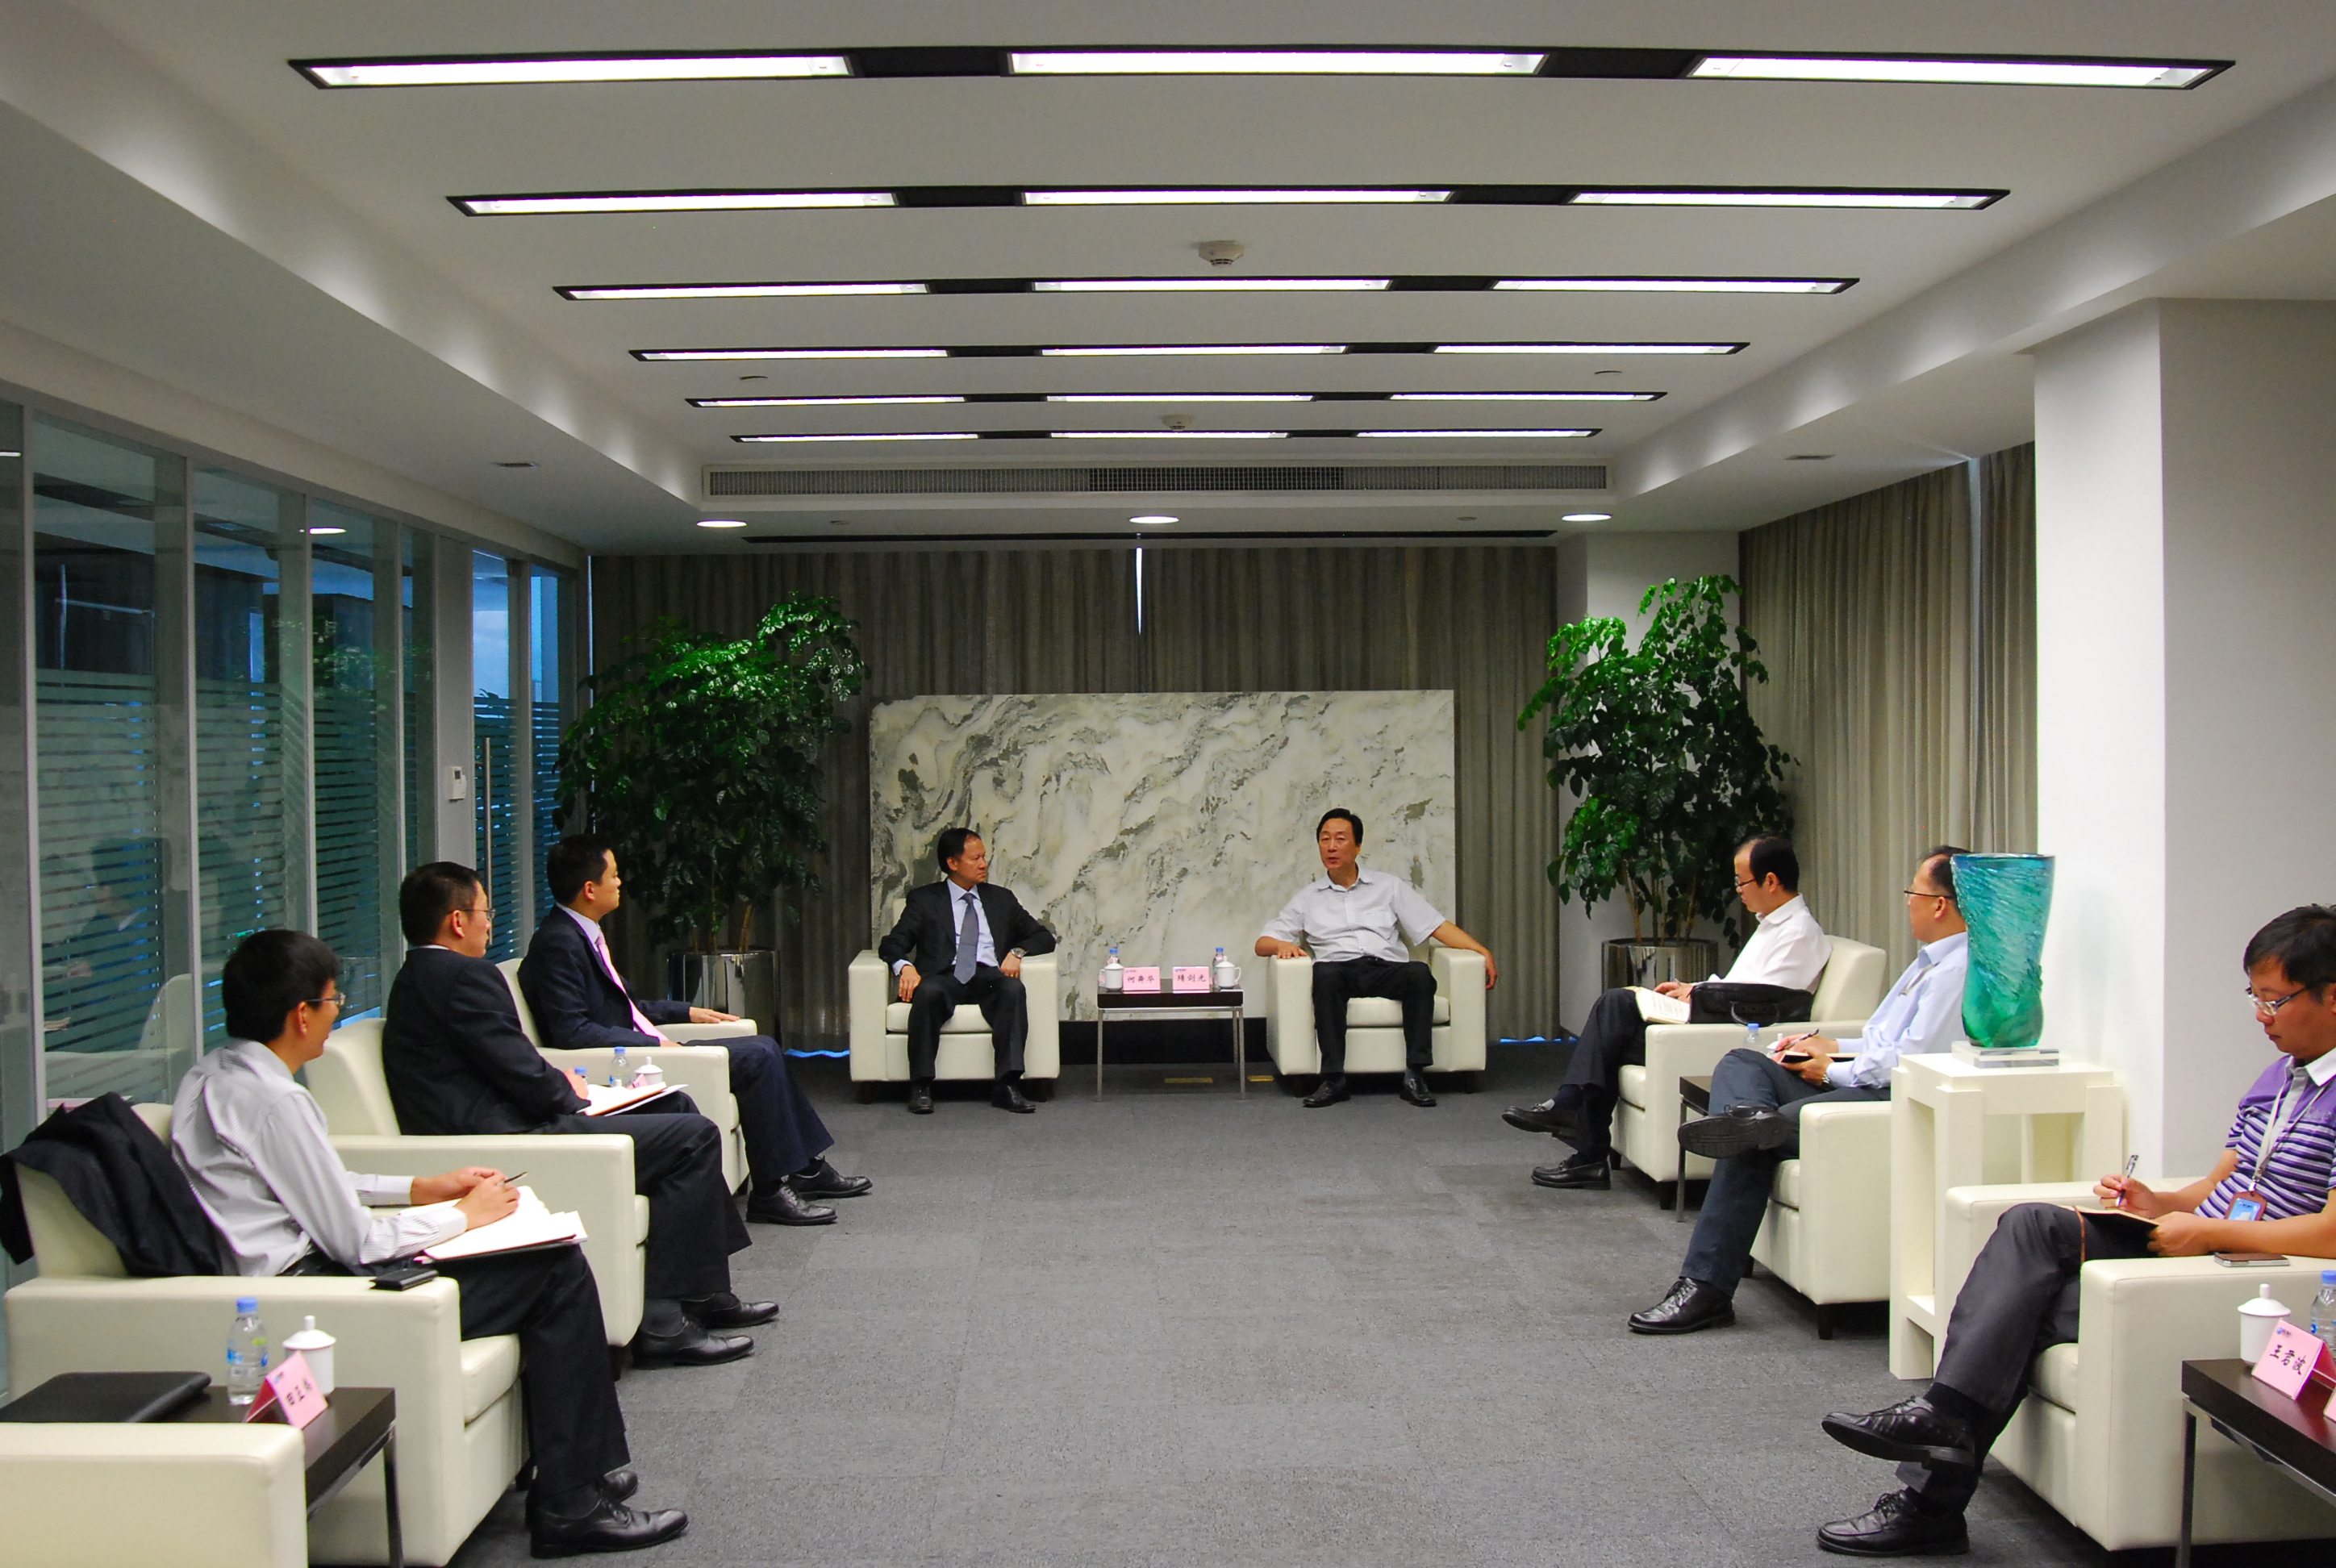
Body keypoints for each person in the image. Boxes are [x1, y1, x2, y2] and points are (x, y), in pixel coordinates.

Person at [1811, 903, 2336, 1556]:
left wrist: (2211, 1236)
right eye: (2254, 997)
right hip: (2201, 1245)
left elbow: (2330, 1233)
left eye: (2275, 1000)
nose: (2261, 1016)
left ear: (2332, 996)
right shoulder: (2279, 1076)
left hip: (2247, 1273)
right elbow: (2219, 1183)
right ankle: (1940, 1433)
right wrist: (2159, 1201)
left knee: (2025, 1306)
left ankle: (1931, 1488)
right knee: (2032, 1225)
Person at [173, 929, 686, 1557]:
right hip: (319, 1287)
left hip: (302, 1271)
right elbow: (356, 1240)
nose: (337, 1014)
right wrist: (462, 1218)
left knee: (541, 1261)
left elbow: (312, 1181)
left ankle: (575, 1471)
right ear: (301, 1014)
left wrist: (420, 1189)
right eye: (333, 1002)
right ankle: (572, 1505)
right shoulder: (278, 1100)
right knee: (555, 1271)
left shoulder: (216, 1074)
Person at [382, 861, 771, 1368]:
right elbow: (519, 1070)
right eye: (485, 913)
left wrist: (559, 1083)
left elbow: (500, 1060)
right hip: (507, 1135)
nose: (490, 926)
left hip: (495, 1120)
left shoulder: (416, 976)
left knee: (674, 1106)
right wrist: (572, 1092)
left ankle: (705, 1291)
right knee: (691, 1136)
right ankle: (664, 1323)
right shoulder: (463, 976)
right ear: (458, 921)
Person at [1629, 847, 1968, 1336]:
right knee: (1743, 1061)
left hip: (1882, 1097)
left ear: (1939, 905)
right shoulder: (1927, 963)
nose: (1907, 901)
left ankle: (1706, 1287)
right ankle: (1747, 1117)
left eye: (1913, 891)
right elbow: (1883, 1040)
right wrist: (1834, 1045)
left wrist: (1832, 1071)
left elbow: (1908, 1064)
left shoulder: (1956, 971)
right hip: (1860, 1074)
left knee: (1753, 1141)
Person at [520, 834, 868, 1226]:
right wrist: (653, 1045)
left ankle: (805, 1169)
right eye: (613, 875)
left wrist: (685, 1010)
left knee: (762, 1046)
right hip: (626, 1060)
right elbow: (573, 1032)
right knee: (758, 1055)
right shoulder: (558, 943)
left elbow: (626, 1007)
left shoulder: (583, 934)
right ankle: (771, 1191)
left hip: (644, 1045)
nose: (620, 882)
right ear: (589, 889)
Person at [1506, 835, 1831, 1190]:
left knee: (1613, 1022)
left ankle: (1579, 1132)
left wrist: (1700, 995)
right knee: (1615, 1012)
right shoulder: (1771, 924)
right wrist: (1695, 988)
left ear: (1771, 881)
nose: (1738, 890)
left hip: (1731, 1038)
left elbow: (1762, 1001)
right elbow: (1740, 984)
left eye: (1742, 882)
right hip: (1713, 1021)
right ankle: (1583, 1143)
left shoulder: (1799, 934)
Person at [1255, 808, 1498, 1110]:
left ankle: (1415, 1076)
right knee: (1324, 975)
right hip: (1339, 971)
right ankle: (1333, 1079)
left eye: (1340, 839)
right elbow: (1262, 944)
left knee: (1419, 974)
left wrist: (1482, 951)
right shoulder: (1308, 898)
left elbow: (1435, 926)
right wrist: (1281, 945)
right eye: (1325, 839)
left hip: (1385, 968)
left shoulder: (1388, 887)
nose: (1331, 847)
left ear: (1358, 846)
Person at [877, 828, 1059, 1116]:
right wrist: (906, 967)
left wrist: (1017, 952)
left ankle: (1007, 1085)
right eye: (975, 858)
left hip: (988, 978)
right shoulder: (925, 900)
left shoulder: (1001, 899)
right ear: (953, 863)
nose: (984, 864)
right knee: (927, 993)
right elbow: (892, 943)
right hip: (944, 978)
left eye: (984, 857)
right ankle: (921, 1086)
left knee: (1013, 989)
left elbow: (1043, 936)